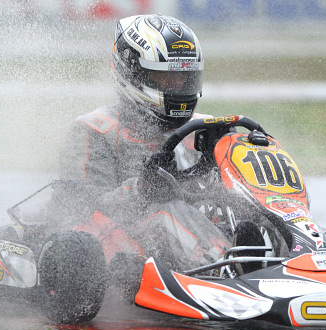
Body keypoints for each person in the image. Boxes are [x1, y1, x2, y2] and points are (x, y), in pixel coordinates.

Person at [50, 14, 235, 279]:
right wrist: (141, 189)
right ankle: (228, 271)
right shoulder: (95, 130)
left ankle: (296, 256)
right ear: (132, 74)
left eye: (184, 76)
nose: (178, 85)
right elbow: (84, 209)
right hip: (127, 242)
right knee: (167, 209)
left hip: (199, 229)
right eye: (165, 78)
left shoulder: (208, 129)